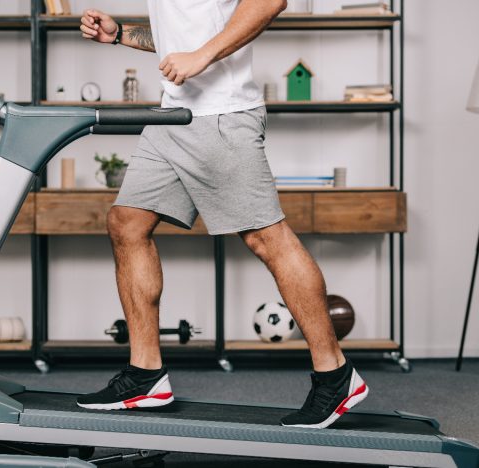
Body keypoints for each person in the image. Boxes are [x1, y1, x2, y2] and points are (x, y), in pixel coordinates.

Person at [77, 0, 368, 428]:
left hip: (222, 118)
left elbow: (269, 2)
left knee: (267, 239)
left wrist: (202, 57)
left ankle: (335, 375)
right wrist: (121, 34)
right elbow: (184, 33)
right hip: (171, 117)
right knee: (127, 222)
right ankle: (145, 375)